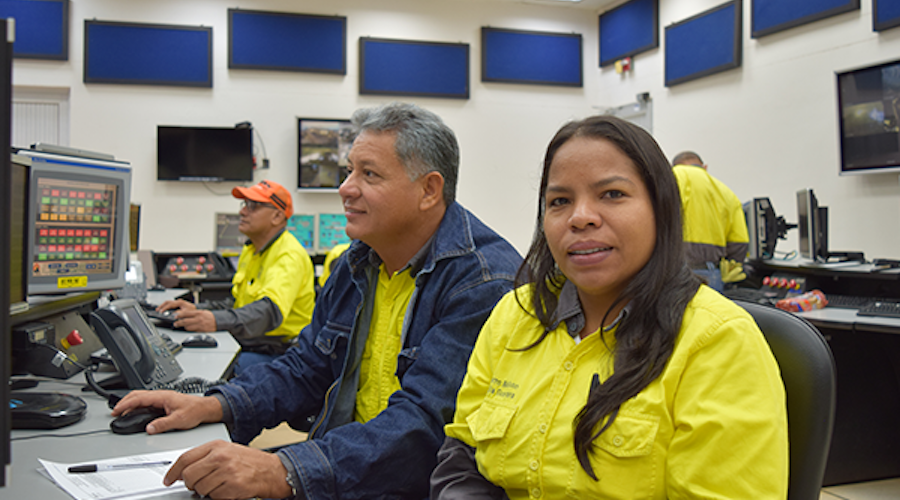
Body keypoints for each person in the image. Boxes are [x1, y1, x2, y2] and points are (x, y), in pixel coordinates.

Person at [113, 102, 522, 500]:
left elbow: (423, 426)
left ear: (429, 190)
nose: (345, 188)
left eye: (369, 174)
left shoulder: (483, 282)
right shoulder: (355, 264)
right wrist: (212, 405)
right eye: (348, 172)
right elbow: (306, 367)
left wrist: (283, 471)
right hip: (347, 466)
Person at [431, 116, 787, 499]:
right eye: (560, 201)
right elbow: (462, 455)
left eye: (612, 194)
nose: (580, 217)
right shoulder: (515, 315)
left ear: (660, 207)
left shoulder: (718, 342)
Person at [157, 180, 316, 375]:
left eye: (253, 206)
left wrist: (215, 320)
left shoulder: (288, 255)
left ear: (277, 216)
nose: (242, 212)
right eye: (244, 205)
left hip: (280, 353)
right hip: (253, 343)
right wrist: (198, 310)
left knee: (207, 368)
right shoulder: (252, 251)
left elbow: (268, 313)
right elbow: (238, 304)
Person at [671, 151, 749, 290]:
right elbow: (739, 241)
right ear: (704, 167)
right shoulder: (726, 192)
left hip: (672, 269)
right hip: (710, 272)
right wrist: (731, 266)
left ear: (674, 166)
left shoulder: (672, 179)